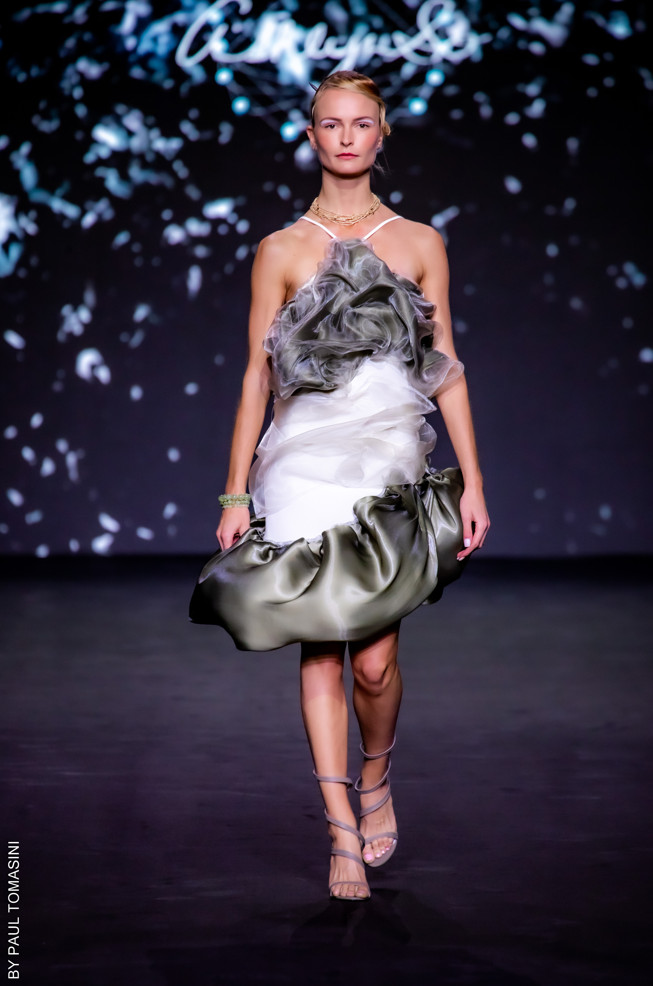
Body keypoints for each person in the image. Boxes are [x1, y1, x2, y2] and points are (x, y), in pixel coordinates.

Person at [190, 71, 489, 901]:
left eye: (361, 123)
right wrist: (234, 493)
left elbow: (445, 367)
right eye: (331, 123)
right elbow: (256, 377)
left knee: (375, 665)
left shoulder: (420, 242)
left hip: (388, 463)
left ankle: (377, 775)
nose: (347, 137)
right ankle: (339, 831)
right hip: (302, 466)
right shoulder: (279, 250)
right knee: (322, 646)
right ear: (311, 135)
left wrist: (471, 481)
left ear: (382, 134)